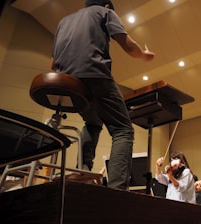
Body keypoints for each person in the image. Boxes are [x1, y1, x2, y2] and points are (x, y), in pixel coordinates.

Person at [50, 0, 155, 190]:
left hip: (69, 83)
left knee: (92, 123)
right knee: (123, 130)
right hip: (94, 74)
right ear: (107, 6)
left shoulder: (64, 22)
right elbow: (128, 45)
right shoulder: (104, 12)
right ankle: (117, 190)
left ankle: (82, 170)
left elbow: (52, 63)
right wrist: (144, 55)